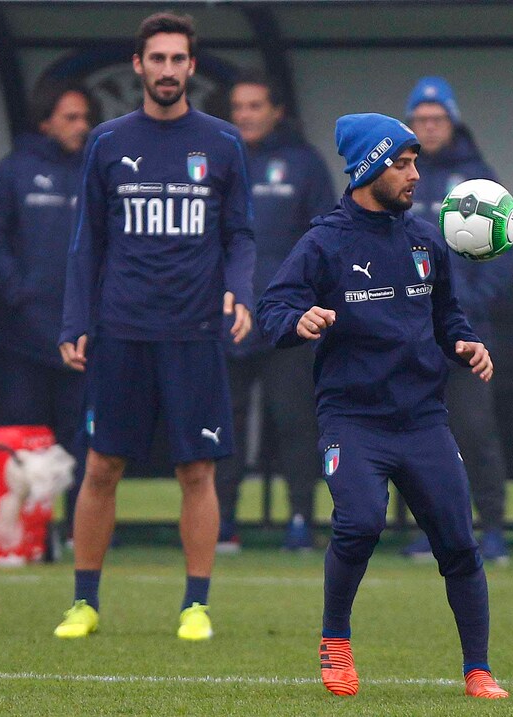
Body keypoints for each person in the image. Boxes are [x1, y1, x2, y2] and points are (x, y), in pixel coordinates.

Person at [257, 113, 508, 699]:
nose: (415, 174)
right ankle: (335, 642)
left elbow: (447, 315)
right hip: (353, 420)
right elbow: (272, 311)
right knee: (360, 522)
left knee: (459, 544)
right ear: (368, 168)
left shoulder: (425, 240)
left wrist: (465, 343)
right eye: (402, 163)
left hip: (423, 420)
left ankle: (478, 670)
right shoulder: (324, 243)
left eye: (415, 162)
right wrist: (299, 320)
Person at [53, 11, 255, 641]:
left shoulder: (223, 142)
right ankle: (84, 602)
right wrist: (75, 319)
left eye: (178, 59)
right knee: (101, 467)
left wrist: (241, 291)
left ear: (191, 66)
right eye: (157, 59)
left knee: (197, 471)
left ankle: (196, 606)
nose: (168, 70)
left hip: (194, 332)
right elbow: (87, 240)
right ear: (138, 65)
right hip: (121, 330)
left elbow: (241, 235)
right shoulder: (108, 141)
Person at [214, 68, 335, 553]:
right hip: (228, 317)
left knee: (294, 421)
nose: (244, 115)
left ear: (277, 111)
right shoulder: (217, 159)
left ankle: (301, 519)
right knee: (225, 423)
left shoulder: (304, 164)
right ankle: (222, 522)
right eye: (237, 107)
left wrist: (309, 301)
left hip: (288, 319)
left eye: (254, 106)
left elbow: (327, 235)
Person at [399, 76, 513, 565]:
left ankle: (493, 529)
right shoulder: (398, 173)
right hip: (410, 334)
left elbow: (502, 252)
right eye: (420, 120)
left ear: (453, 122)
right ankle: (431, 530)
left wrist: (471, 305)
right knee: (417, 435)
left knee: (474, 430)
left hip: (466, 334)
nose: (429, 127)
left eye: (437, 118)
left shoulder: (478, 178)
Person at [0, 75, 93, 540]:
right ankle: (22, 532)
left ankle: (81, 531)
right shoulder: (14, 170)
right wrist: (17, 290)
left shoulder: (97, 169)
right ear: (45, 122)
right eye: (71, 117)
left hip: (83, 334)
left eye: (85, 118)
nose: (81, 126)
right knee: (23, 439)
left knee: (85, 440)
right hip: (24, 334)